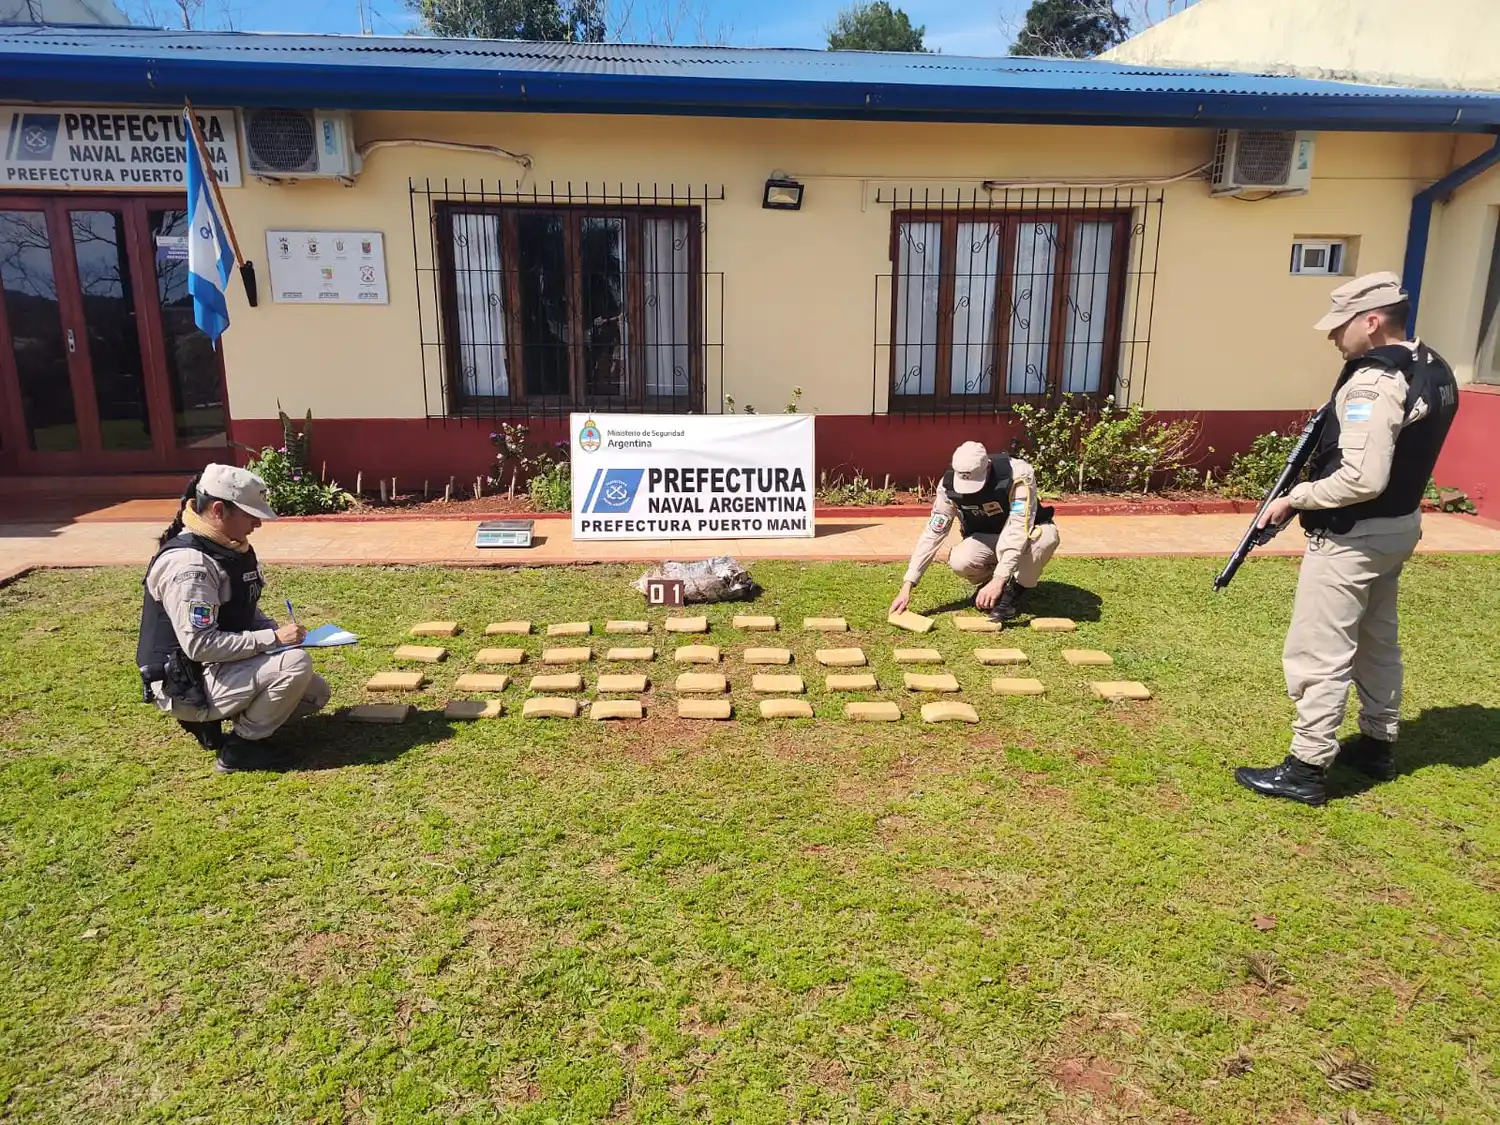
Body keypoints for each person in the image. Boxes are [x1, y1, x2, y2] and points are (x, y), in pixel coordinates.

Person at [1235, 272, 1460, 806]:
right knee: (1378, 639)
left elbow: (1361, 478)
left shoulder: (1372, 382)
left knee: (1320, 650)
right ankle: (1377, 743)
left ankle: (1306, 766)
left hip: (1353, 537)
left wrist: (1297, 498)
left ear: (1372, 321)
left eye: (1340, 327)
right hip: (1399, 526)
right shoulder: (1434, 366)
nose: (1334, 338)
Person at [137, 463, 330, 773]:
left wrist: (272, 631)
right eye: (250, 514)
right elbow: (199, 647)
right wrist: (274, 640)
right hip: (186, 683)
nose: (257, 523)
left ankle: (225, 724)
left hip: (214, 669)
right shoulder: (190, 567)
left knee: (313, 693)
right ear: (218, 510)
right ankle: (241, 749)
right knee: (295, 665)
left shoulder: (227, 549)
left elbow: (242, 608)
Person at [890, 441, 1060, 622]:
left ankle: (1012, 592)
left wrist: (999, 579)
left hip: (1027, 533)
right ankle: (995, 584)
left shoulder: (1018, 475)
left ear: (987, 466)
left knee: (1045, 539)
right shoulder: (947, 486)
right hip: (988, 537)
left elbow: (1018, 529)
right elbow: (933, 533)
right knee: (960, 560)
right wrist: (907, 585)